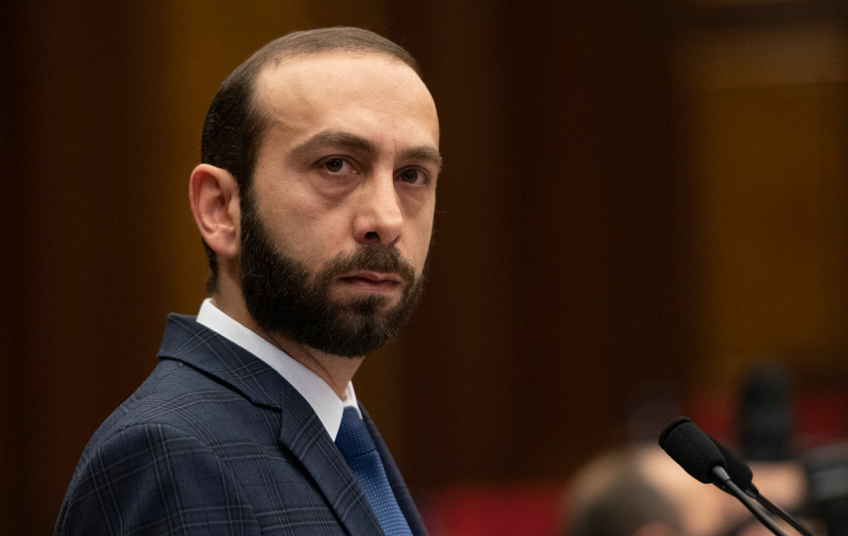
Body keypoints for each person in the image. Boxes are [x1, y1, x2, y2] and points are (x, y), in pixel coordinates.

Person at [55, 27, 441, 536]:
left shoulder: (342, 431)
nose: (387, 220)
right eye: (336, 165)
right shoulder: (173, 455)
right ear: (220, 209)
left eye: (411, 174)